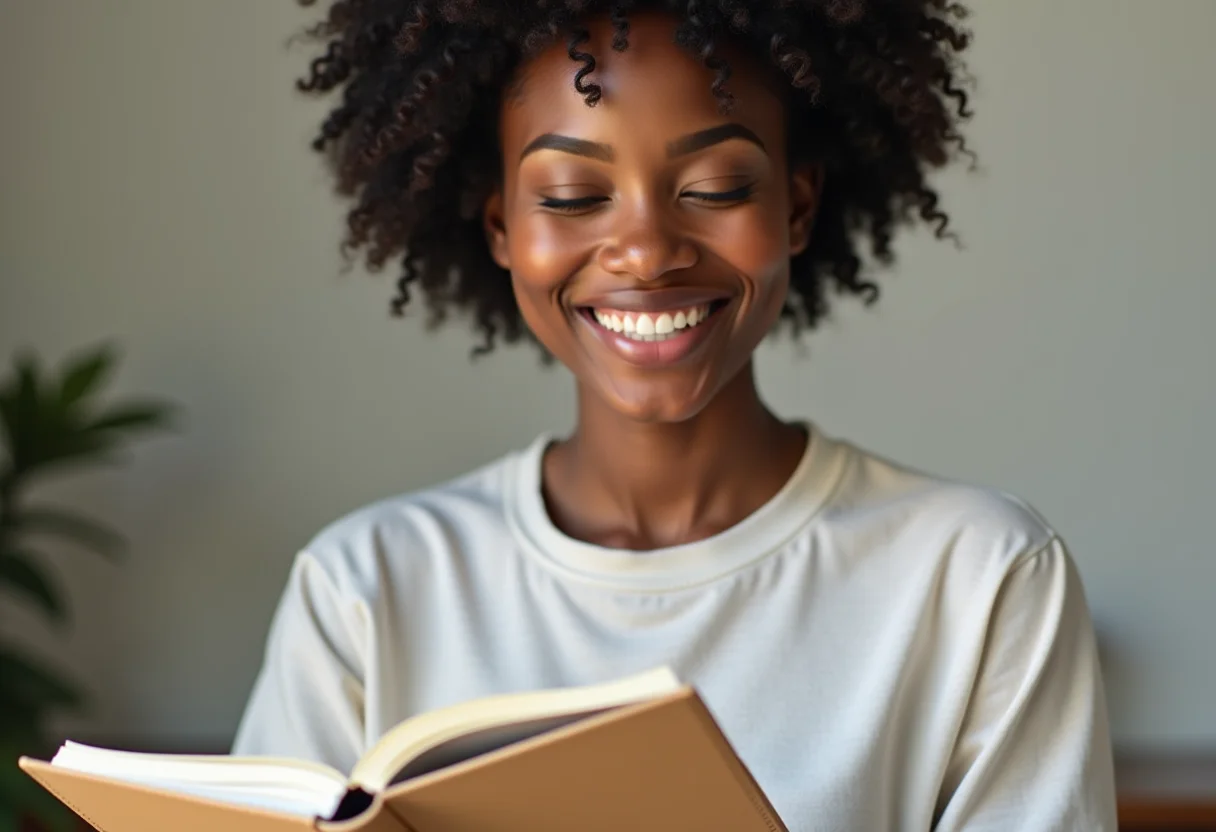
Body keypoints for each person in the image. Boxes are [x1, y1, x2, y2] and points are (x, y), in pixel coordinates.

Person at [233, 1, 1118, 828]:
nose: (648, 251)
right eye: (575, 197)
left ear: (796, 208)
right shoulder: (367, 587)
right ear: (502, 227)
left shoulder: (978, 576)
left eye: (718, 186)